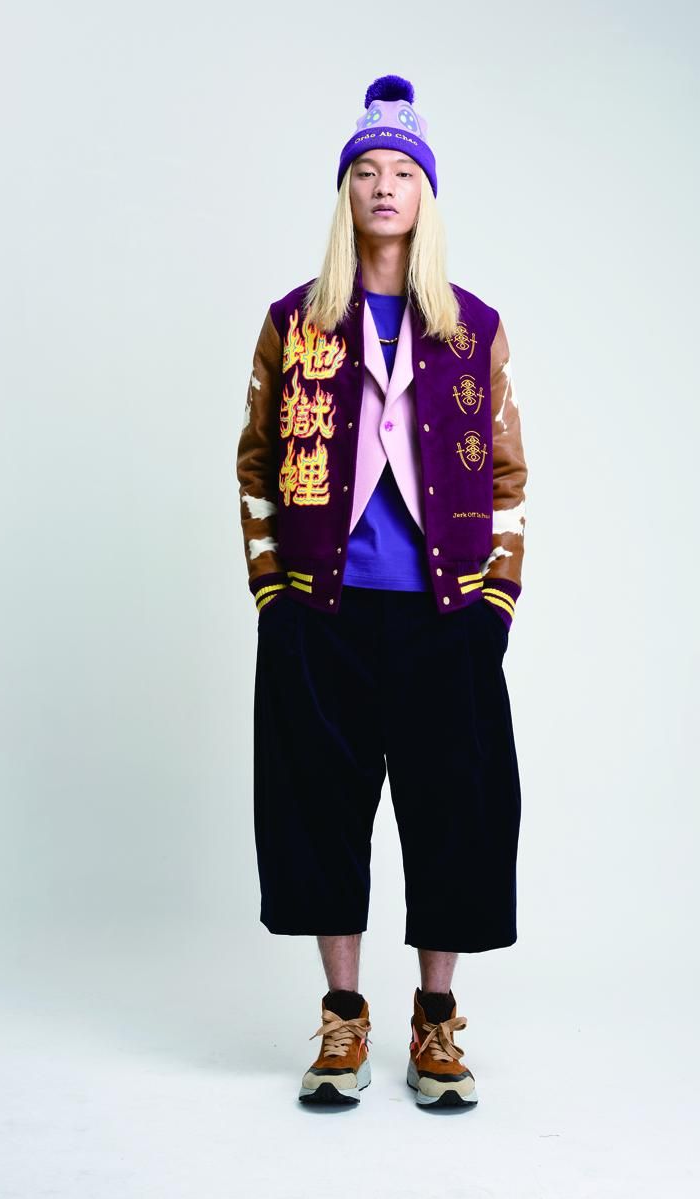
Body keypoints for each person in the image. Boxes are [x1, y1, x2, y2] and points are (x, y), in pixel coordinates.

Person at [235, 73, 528, 1109]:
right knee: (321, 811)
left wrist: (494, 608)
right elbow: (255, 462)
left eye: (403, 171)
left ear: (426, 194)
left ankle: (436, 1020)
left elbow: (507, 476)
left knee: (456, 813)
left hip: (447, 617)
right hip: (322, 613)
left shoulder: (472, 328)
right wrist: (272, 597)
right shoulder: (295, 324)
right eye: (367, 171)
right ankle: (343, 1017)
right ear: (346, 193)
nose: (385, 186)